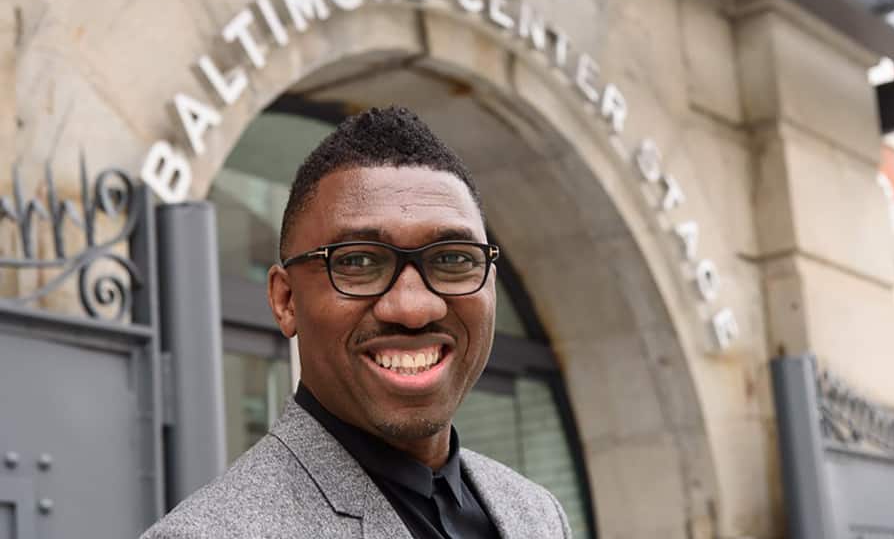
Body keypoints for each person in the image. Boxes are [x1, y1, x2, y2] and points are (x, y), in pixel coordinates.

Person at [141, 106, 572, 538]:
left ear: (490, 287)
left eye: (453, 259)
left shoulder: (536, 513)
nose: (413, 308)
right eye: (359, 261)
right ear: (285, 300)